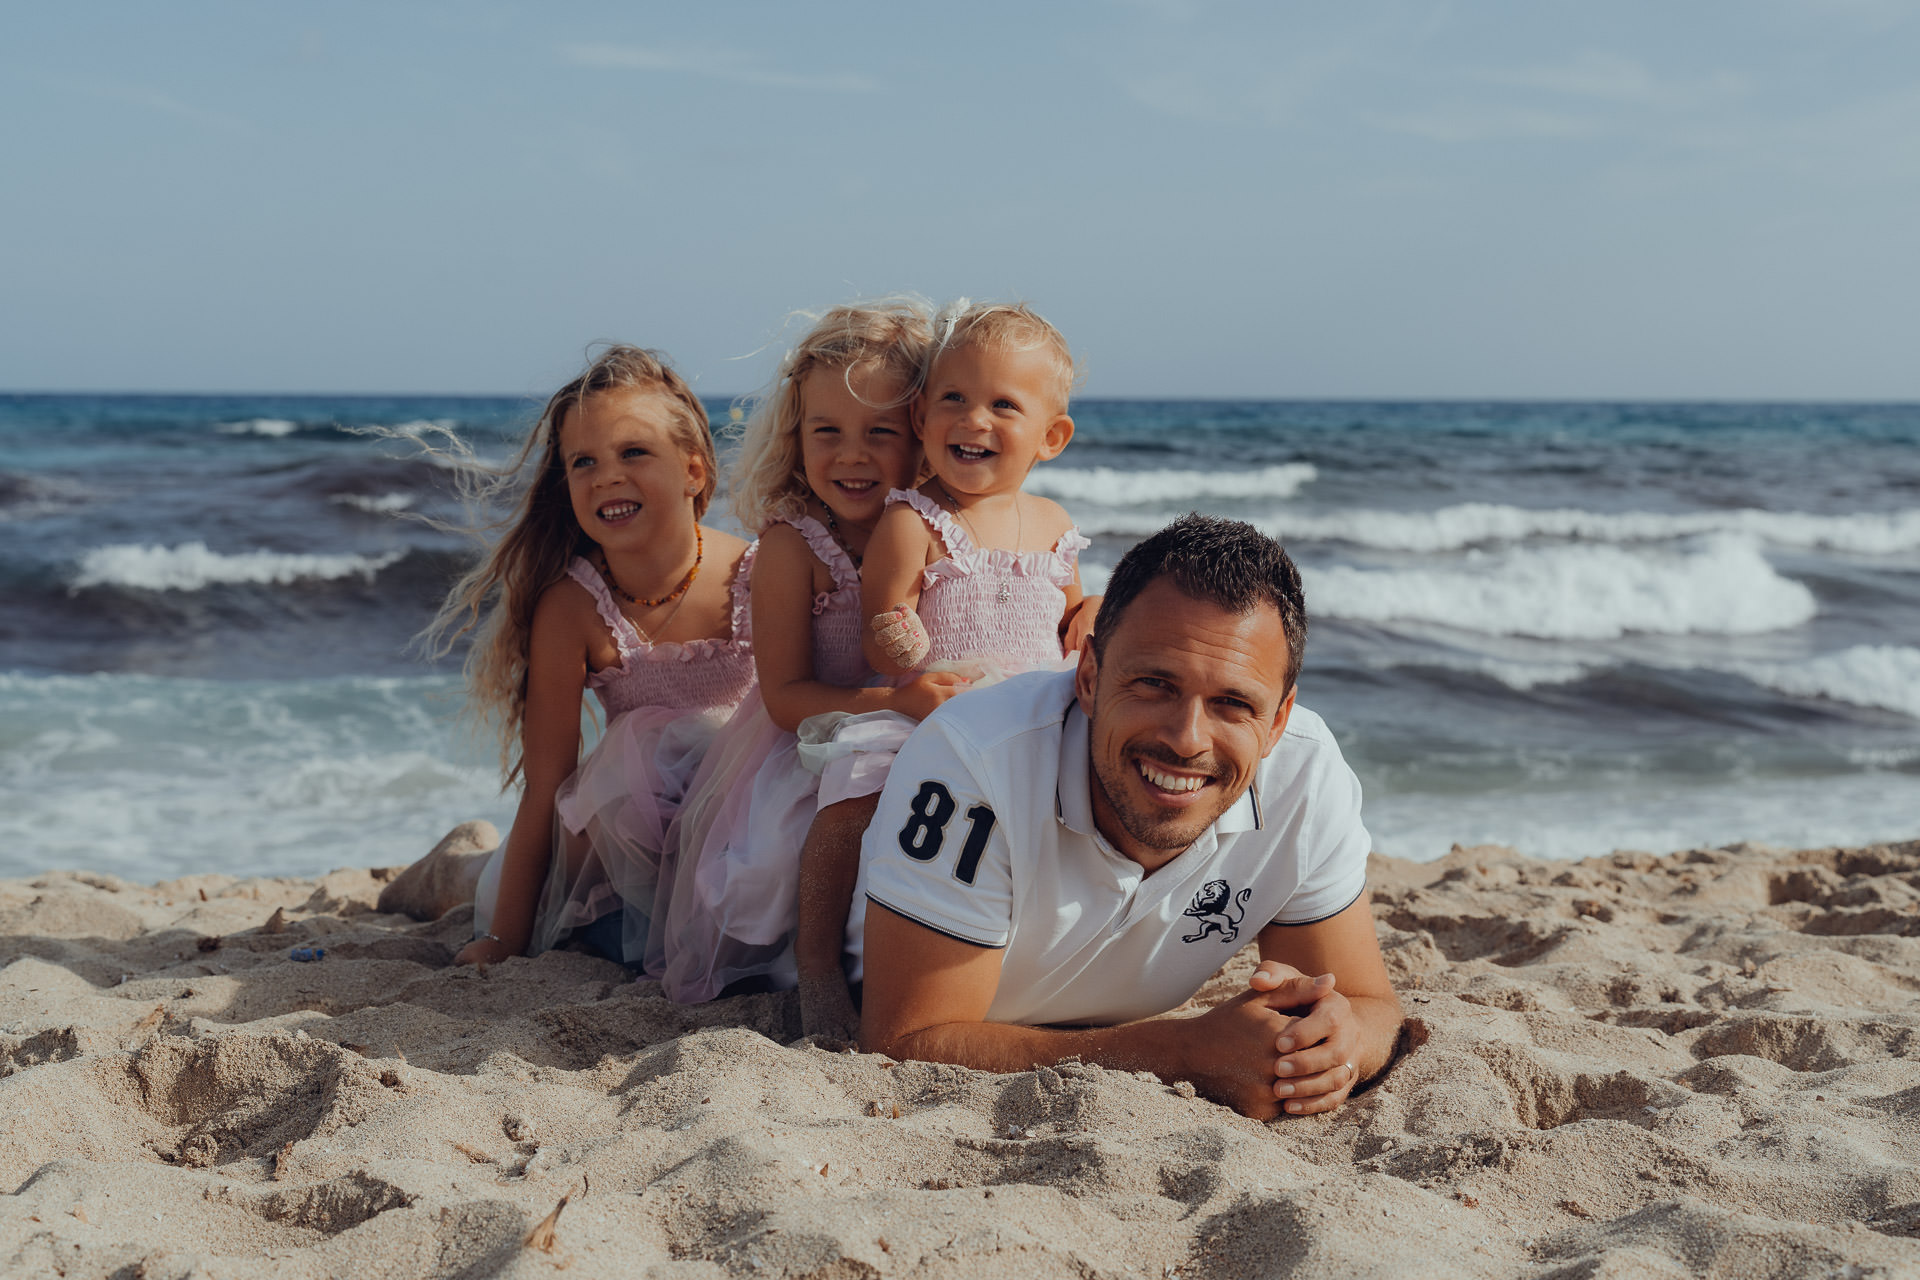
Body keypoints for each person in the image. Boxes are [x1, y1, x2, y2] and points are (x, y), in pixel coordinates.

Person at [850, 514, 1402, 1120]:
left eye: (1232, 702)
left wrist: (1336, 1048)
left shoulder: (1306, 773)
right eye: (1155, 684)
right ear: (1089, 676)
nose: (1187, 738)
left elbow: (1368, 1004)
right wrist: (1184, 1054)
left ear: (1277, 721)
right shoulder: (976, 759)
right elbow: (905, 1041)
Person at [376, 347, 756, 969]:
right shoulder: (574, 606)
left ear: (693, 470)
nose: (606, 476)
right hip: (622, 857)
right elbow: (547, 783)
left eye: (633, 452)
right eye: (584, 461)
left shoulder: (757, 574)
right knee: (494, 893)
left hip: (736, 828)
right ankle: (447, 869)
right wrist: (502, 941)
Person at [792, 300, 1097, 1037]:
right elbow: (881, 631)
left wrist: (1091, 614)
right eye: (954, 398)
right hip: (939, 710)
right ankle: (817, 961)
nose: (974, 419)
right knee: (853, 794)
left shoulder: (1054, 523)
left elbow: (1072, 616)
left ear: (1051, 437)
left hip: (1036, 713)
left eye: (1003, 405)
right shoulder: (914, 520)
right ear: (923, 416)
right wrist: (895, 636)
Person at [651, 301, 970, 1001]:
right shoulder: (793, 548)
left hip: (918, 739)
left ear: (922, 433)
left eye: (880, 431)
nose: (852, 455)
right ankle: (816, 968)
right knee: (777, 872)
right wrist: (896, 703)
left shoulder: (943, 529)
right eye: (827, 431)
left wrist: (1084, 607)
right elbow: (784, 697)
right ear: (796, 438)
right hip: (809, 753)